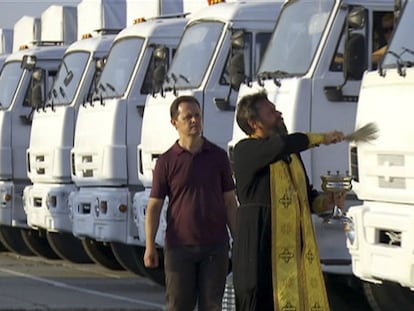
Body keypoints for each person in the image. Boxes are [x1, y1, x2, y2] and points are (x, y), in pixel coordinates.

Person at [231, 91, 345, 311]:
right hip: (259, 247)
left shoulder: (291, 154)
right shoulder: (245, 150)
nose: (279, 114)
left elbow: (306, 196)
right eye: (271, 112)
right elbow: (281, 145)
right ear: (254, 123)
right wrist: (321, 138)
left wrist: (326, 203)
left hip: (292, 252)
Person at [144, 95, 238, 311]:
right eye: (188, 117)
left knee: (212, 305)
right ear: (174, 122)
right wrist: (150, 246)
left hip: (215, 246)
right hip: (179, 247)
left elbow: (230, 202)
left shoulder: (218, 157)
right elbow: (155, 207)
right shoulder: (166, 161)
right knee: (178, 305)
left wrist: (238, 239)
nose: (194, 121)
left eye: (197, 116)